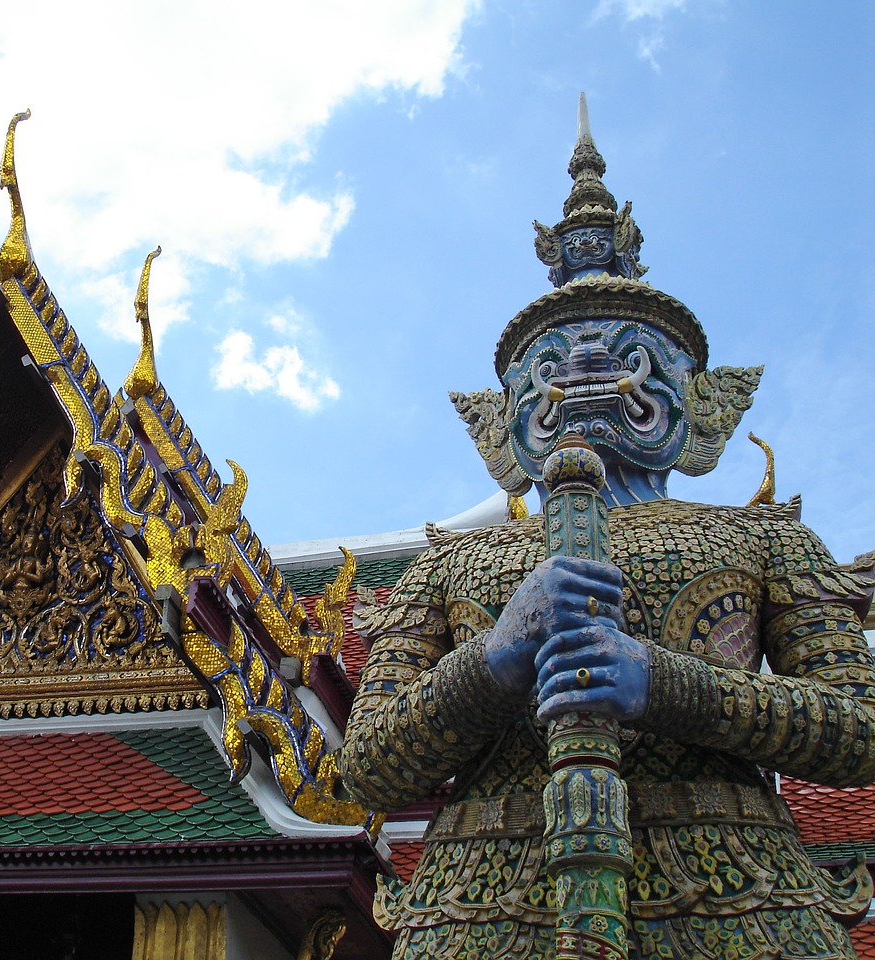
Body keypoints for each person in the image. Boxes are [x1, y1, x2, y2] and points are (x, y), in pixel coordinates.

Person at [340, 102, 875, 960]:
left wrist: (662, 682)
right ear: (503, 419)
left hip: (739, 902)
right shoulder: (453, 568)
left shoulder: (765, 541)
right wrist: (498, 654)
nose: (586, 370)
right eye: (551, 364)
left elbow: (860, 728)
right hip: (486, 906)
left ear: (698, 402)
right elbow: (369, 765)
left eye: (625, 355)